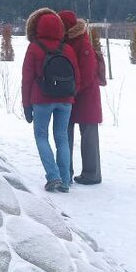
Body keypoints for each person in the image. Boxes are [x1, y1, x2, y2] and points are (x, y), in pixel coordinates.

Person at [21, 7, 80, 193]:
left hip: (42, 99)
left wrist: (26, 105)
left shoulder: (34, 48)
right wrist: (70, 96)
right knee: (62, 138)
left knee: (41, 136)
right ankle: (64, 180)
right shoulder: (68, 49)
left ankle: (52, 176)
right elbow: (77, 76)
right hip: (66, 100)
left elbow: (27, 78)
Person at [59, 10, 104, 185]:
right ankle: (67, 172)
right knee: (67, 134)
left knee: (88, 137)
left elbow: (87, 73)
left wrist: (73, 90)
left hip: (85, 97)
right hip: (73, 95)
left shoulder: (82, 43)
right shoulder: (70, 41)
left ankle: (91, 174)